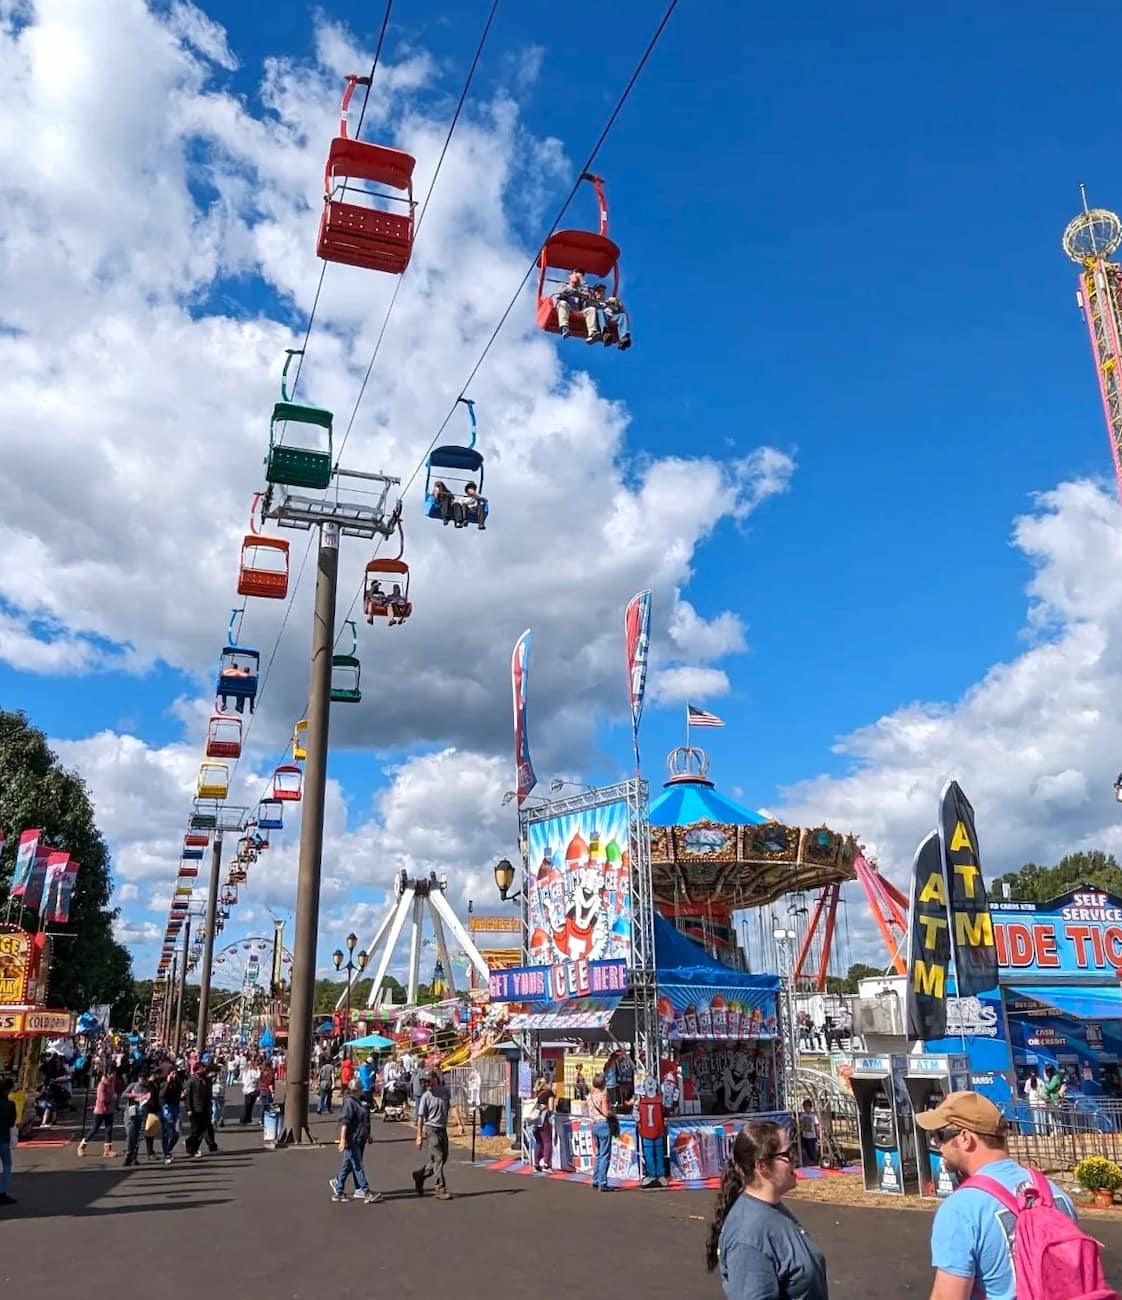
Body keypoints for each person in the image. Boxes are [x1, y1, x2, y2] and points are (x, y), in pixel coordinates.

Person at [916, 1091, 1077, 1300]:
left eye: (939, 1135)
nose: (937, 1143)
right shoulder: (1057, 1195)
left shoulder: (961, 1209)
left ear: (965, 1138)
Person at [706, 1120, 828, 1300]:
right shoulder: (747, 1235)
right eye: (787, 1154)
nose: (795, 1159)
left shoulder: (772, 1209)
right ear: (761, 1166)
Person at [329, 1079, 381, 1204]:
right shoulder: (349, 1103)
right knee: (357, 1165)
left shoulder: (360, 1101)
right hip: (352, 1139)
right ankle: (366, 1191)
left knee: (348, 1165)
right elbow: (344, 1123)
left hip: (360, 1137)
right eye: (361, 1087)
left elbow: (363, 1121)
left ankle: (339, 1186)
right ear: (356, 1089)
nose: (363, 1088)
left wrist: (368, 1135)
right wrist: (342, 1140)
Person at [413, 1070, 452, 1200]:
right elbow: (420, 1117)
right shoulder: (426, 1096)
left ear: (435, 1079)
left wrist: (460, 1124)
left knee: (442, 1158)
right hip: (431, 1129)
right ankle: (440, 1189)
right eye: (424, 1082)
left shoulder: (445, 1092)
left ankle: (420, 1175)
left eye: (428, 1080)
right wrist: (419, 1136)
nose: (426, 1084)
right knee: (439, 1158)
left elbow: (450, 1107)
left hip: (442, 1129)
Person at [78, 1069, 118, 1158]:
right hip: (100, 1110)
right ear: (109, 1074)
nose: (115, 1076)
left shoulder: (111, 1083)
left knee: (109, 1130)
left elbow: (113, 1094)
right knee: (95, 1129)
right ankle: (82, 1146)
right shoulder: (102, 1085)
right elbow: (102, 1099)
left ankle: (107, 1150)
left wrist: (115, 1103)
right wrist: (112, 1098)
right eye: (113, 1074)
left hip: (109, 1110)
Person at [636, 1076, 667, 1188]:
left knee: (652, 1153)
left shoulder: (642, 1101)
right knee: (656, 1153)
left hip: (649, 1130)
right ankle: (657, 1174)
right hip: (655, 1130)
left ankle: (654, 1174)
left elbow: (636, 1115)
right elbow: (666, 1111)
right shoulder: (659, 1100)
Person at [588, 1071, 616, 1191]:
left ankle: (596, 1179)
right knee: (605, 1154)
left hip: (594, 1124)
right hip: (603, 1124)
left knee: (599, 1154)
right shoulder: (603, 1095)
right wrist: (612, 1112)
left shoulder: (590, 1096)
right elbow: (605, 1112)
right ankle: (602, 1182)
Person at [122, 1070, 155, 1167]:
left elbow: (150, 1098)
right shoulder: (133, 1085)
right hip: (130, 1112)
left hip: (141, 1113)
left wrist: (145, 1098)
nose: (142, 1081)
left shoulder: (148, 1088)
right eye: (141, 1079)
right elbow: (123, 1095)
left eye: (144, 1079)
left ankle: (134, 1156)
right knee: (130, 1133)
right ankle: (128, 1153)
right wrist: (135, 1095)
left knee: (138, 1135)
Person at [554, 269, 597, 340]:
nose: (578, 275)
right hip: (566, 308)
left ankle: (592, 333)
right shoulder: (563, 285)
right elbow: (564, 291)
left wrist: (582, 280)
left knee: (591, 309)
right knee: (563, 303)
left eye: (580, 274)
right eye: (576, 273)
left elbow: (587, 293)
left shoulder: (581, 290)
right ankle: (564, 327)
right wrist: (580, 293)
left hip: (578, 311)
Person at [184, 1061, 214, 1159]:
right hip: (195, 1109)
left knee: (202, 1129)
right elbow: (188, 1096)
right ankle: (191, 1148)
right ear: (197, 1069)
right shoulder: (191, 1081)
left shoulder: (205, 1079)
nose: (205, 1070)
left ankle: (192, 1145)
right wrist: (188, 1108)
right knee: (196, 1130)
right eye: (202, 1068)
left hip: (204, 1108)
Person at [531, 1075, 556, 1173]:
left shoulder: (537, 1093)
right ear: (548, 1083)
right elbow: (550, 1108)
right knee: (547, 1141)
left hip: (535, 1119)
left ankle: (536, 1164)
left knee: (538, 1142)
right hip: (544, 1119)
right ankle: (546, 1164)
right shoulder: (549, 1093)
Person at [159, 1066, 183, 1163]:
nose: (174, 1075)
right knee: (167, 1132)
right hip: (166, 1109)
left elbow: (180, 1094)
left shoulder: (177, 1083)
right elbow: (161, 1095)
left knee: (177, 1132)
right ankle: (166, 1153)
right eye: (172, 1073)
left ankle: (168, 1149)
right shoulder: (164, 1083)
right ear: (168, 1074)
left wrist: (183, 1095)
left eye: (175, 1073)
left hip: (176, 1108)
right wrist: (167, 1083)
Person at [0, 1077, 17, 1206]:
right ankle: (2, 1192)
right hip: (4, 1138)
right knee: (6, 1165)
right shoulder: (10, 1105)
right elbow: (12, 1123)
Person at [798, 1100, 819, 1166]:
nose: (806, 1109)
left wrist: (817, 1133)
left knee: (811, 1148)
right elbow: (800, 1123)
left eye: (807, 1107)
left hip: (812, 1135)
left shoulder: (813, 1116)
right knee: (806, 1147)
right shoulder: (802, 1115)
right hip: (805, 1135)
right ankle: (810, 1159)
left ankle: (814, 1160)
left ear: (810, 1107)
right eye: (805, 1107)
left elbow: (816, 1125)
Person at [240, 1059, 260, 1124]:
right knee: (249, 1106)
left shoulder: (245, 1072)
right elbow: (258, 1077)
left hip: (245, 1090)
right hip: (252, 1089)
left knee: (246, 1105)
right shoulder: (253, 1071)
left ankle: (245, 1118)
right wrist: (258, 1070)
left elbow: (243, 1081)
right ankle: (246, 1118)